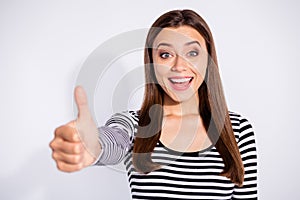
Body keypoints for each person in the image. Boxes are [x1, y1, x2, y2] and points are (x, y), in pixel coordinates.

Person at [50, 9, 257, 199]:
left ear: (208, 58)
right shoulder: (133, 124)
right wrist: (91, 147)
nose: (179, 66)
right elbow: (114, 140)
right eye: (165, 55)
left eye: (192, 53)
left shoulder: (237, 129)